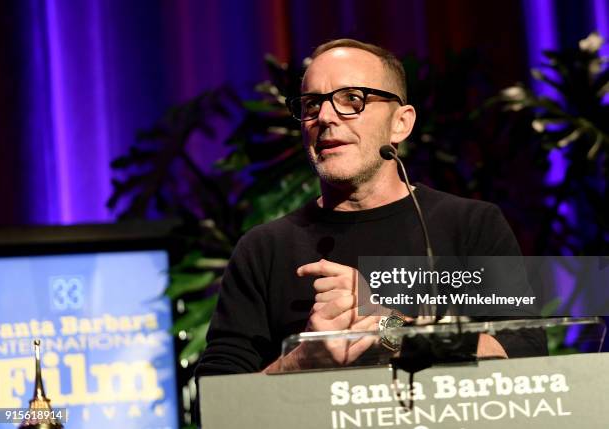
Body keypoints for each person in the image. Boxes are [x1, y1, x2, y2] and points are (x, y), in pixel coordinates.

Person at [196, 39, 546, 377]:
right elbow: (214, 400)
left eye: (352, 99)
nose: (327, 117)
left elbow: (525, 352)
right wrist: (304, 360)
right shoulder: (264, 250)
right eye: (312, 104)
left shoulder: (471, 225)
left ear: (401, 123)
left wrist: (388, 328)